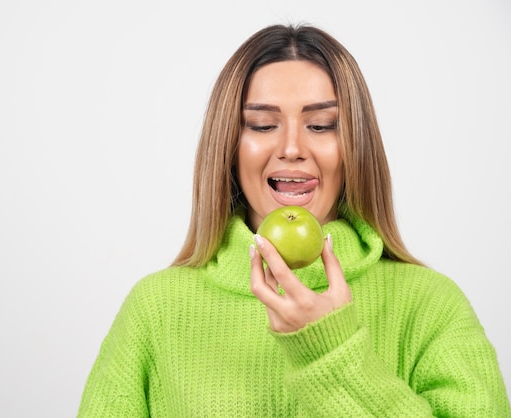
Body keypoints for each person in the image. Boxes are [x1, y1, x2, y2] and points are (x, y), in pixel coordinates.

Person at [76, 24, 510, 417]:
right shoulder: (156, 308)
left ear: (355, 146)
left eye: (321, 126)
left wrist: (332, 349)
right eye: (262, 125)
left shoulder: (431, 305)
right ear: (228, 145)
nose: (291, 147)